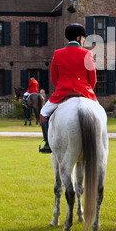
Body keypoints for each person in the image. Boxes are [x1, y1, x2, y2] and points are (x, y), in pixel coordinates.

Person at [39, 23, 97, 154]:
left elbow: (54, 78)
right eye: (83, 38)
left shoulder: (58, 53)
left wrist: (61, 88)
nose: (83, 40)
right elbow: (92, 78)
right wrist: (87, 89)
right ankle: (99, 142)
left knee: (44, 113)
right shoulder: (87, 53)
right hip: (84, 92)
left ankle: (48, 143)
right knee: (100, 114)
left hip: (62, 93)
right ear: (78, 38)